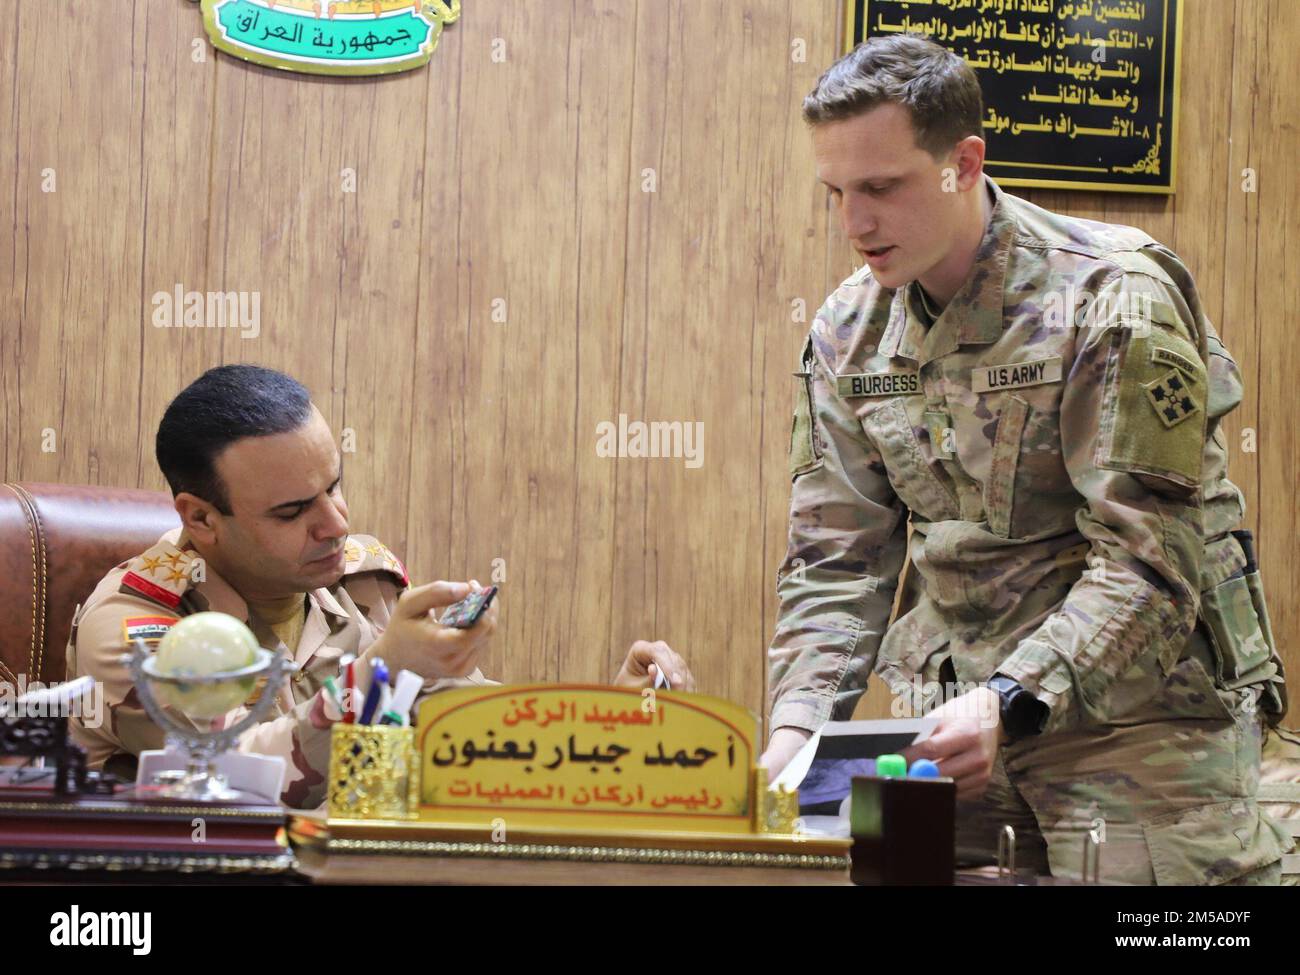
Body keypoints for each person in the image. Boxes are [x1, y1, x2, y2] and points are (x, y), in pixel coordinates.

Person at [763, 35, 1289, 884]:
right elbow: (837, 562)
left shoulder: (1111, 298)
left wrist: (1010, 700)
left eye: (881, 188)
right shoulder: (847, 333)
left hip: (1143, 734)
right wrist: (794, 735)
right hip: (952, 727)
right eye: (837, 192)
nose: (854, 223)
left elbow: (1153, 567)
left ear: (963, 163)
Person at [68, 365, 693, 808]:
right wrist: (383, 673)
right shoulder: (134, 631)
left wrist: (605, 725)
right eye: (292, 512)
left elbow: (467, 733)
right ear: (201, 518)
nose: (335, 525)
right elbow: (240, 782)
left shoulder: (362, 585)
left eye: (334, 487)